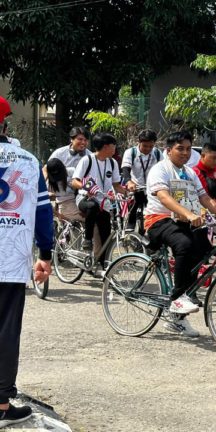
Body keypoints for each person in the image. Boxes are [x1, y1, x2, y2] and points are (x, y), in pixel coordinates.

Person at [144, 131, 216, 337]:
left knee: (205, 247)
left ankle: (178, 315)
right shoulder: (159, 170)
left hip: (185, 220)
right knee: (184, 244)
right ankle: (178, 298)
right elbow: (164, 197)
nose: (185, 153)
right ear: (168, 151)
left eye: (188, 149)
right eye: (180, 148)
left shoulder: (189, 172)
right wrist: (187, 213)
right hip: (159, 220)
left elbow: (205, 198)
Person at [0, 95, 54, 428]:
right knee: (5, 331)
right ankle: (1, 403)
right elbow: (43, 212)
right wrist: (45, 253)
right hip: (10, 258)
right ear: (5, 123)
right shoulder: (28, 160)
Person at [71, 133, 126, 277]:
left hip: (104, 202)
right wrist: (87, 187)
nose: (115, 148)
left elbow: (116, 185)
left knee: (106, 233)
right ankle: (87, 240)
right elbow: (74, 181)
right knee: (92, 207)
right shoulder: (87, 160)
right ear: (106, 146)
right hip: (85, 199)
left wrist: (127, 192)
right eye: (114, 145)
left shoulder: (112, 163)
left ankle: (103, 265)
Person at [120, 129, 163, 234]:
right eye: (145, 146)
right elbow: (125, 170)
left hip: (151, 187)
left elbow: (162, 169)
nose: (148, 149)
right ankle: (129, 233)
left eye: (151, 146)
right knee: (133, 209)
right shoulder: (131, 152)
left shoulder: (157, 153)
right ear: (138, 142)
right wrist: (129, 182)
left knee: (153, 210)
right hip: (136, 186)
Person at [45, 127, 92, 221]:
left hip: (81, 196)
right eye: (80, 139)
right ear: (71, 139)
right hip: (64, 197)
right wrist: (44, 190)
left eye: (85, 140)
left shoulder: (90, 156)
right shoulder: (60, 153)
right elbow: (46, 169)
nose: (83, 142)